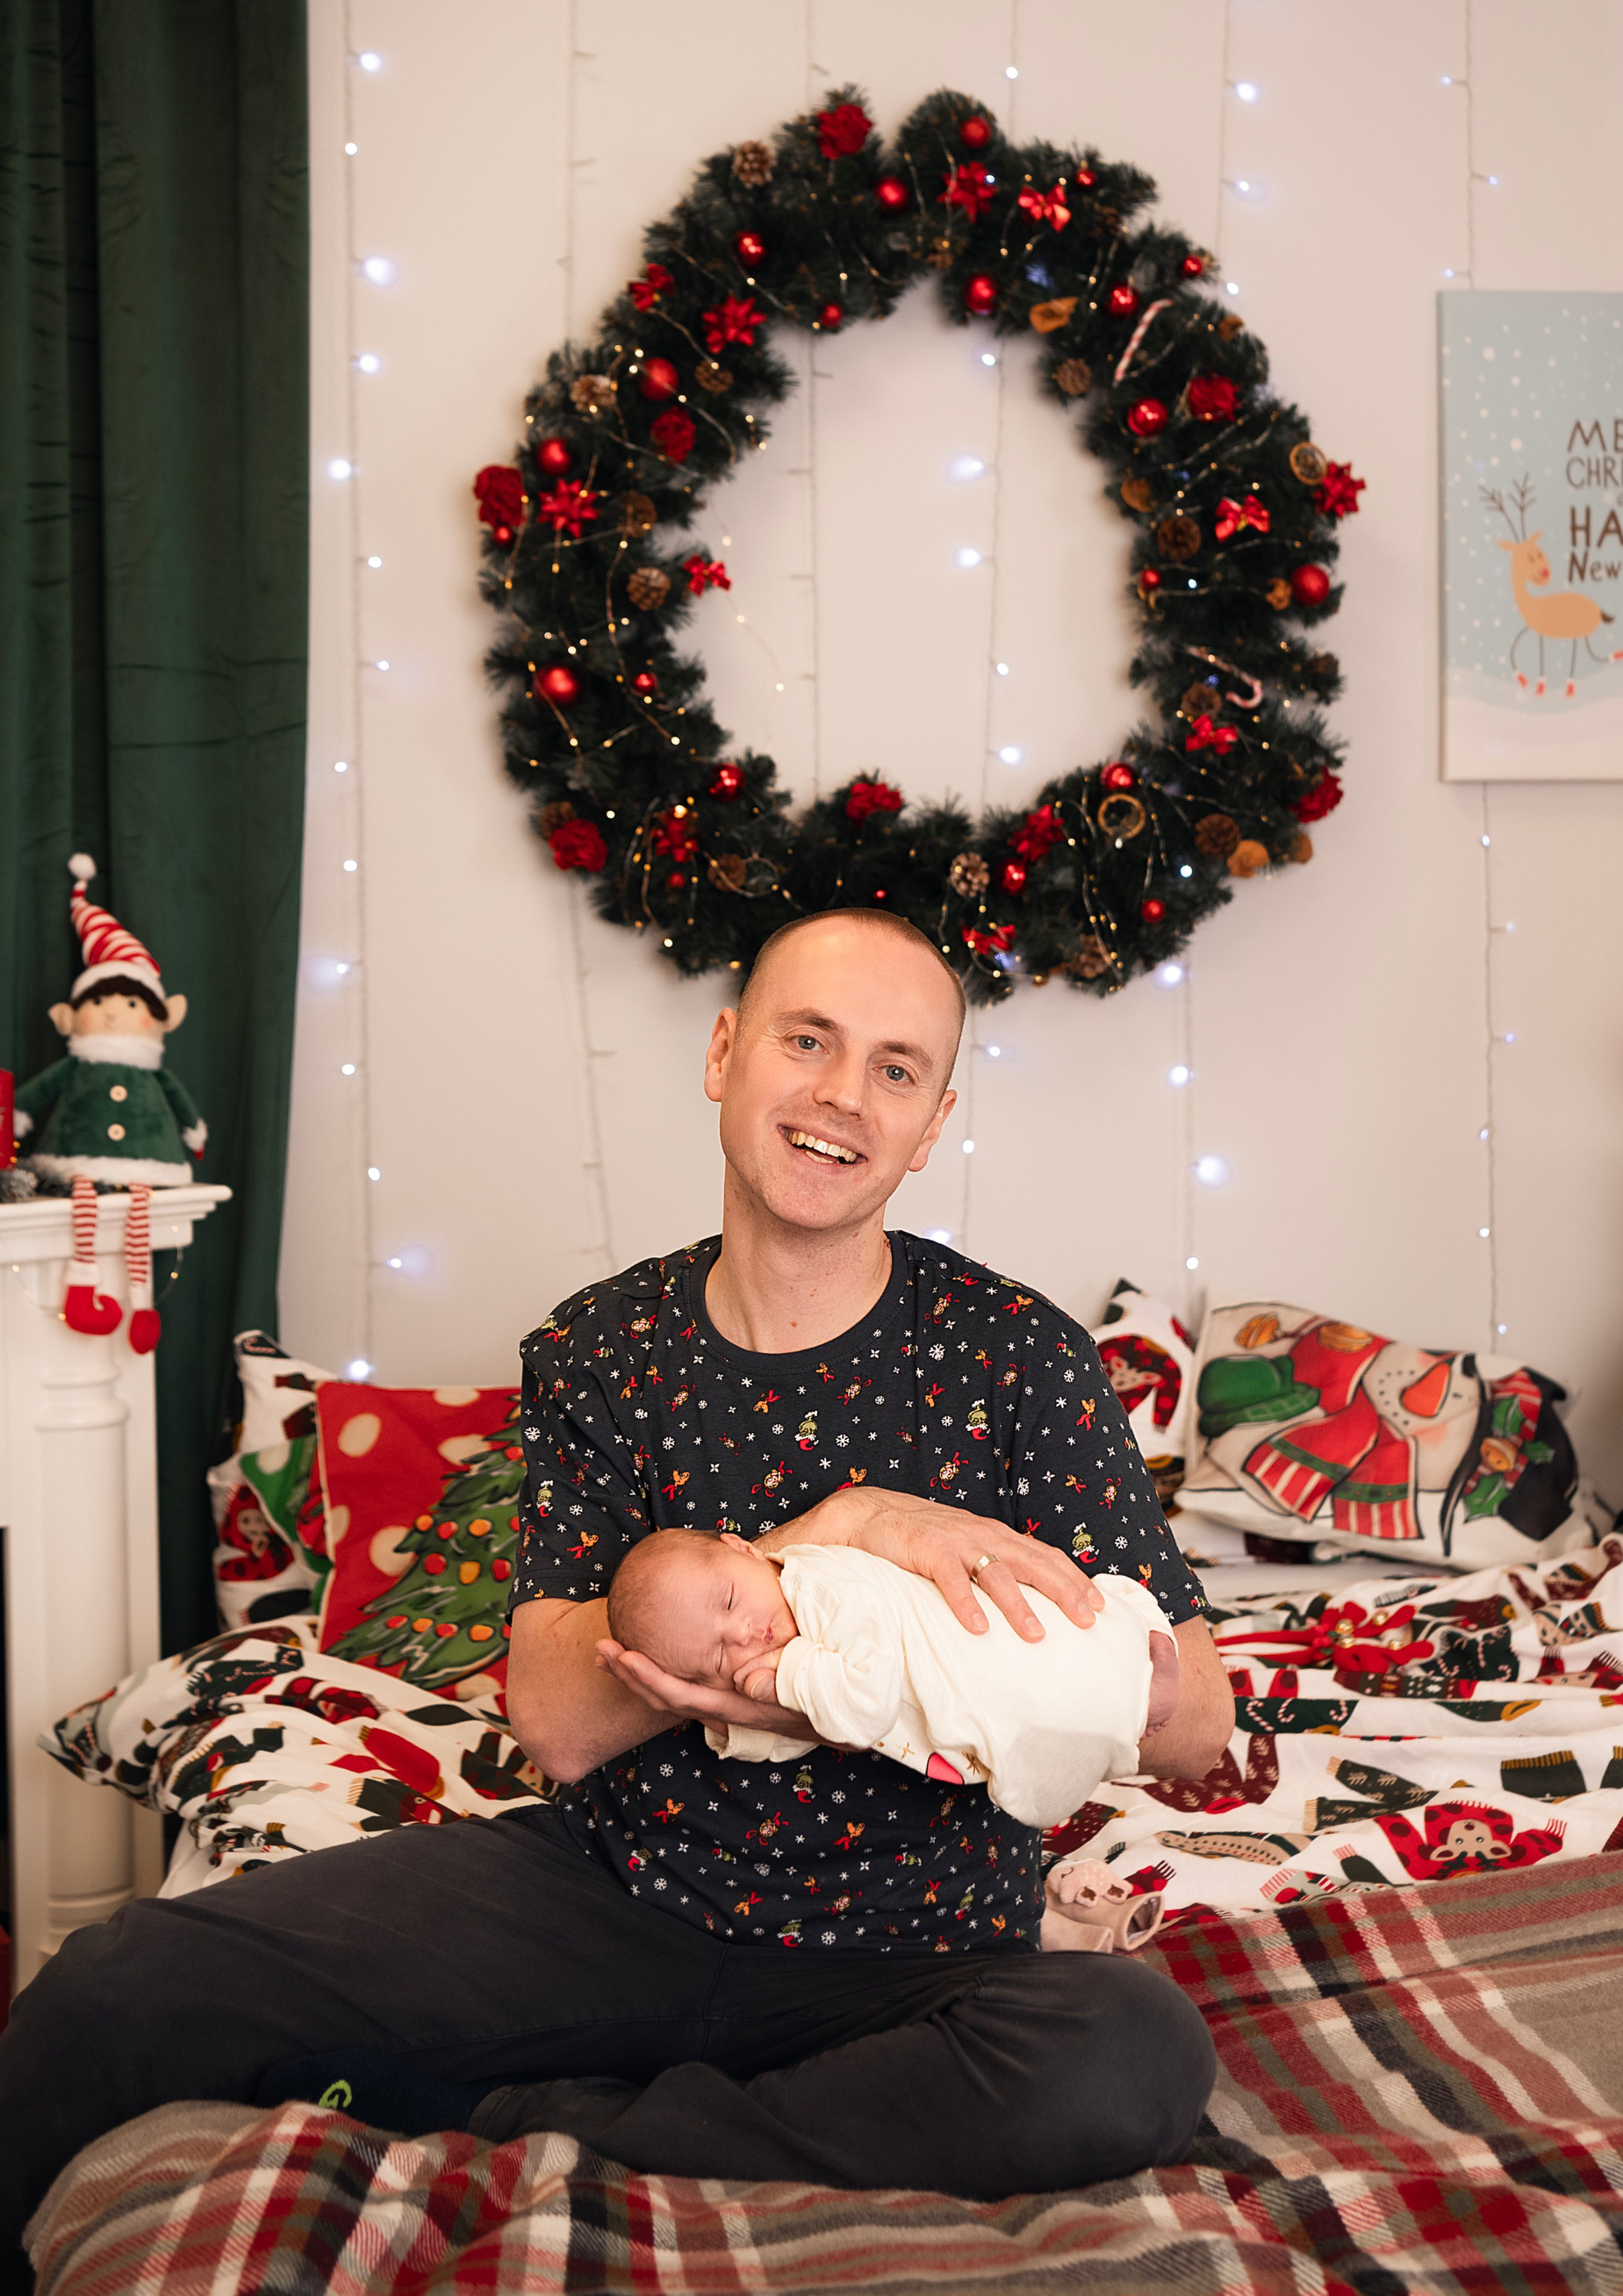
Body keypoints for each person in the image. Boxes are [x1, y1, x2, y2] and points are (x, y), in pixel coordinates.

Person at [0, 909, 1231, 2284]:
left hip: (917, 1949)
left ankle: (540, 2122)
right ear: (724, 1055)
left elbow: (1198, 1725)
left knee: (1134, 2052)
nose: (842, 1094)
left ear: (933, 1123)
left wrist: (969, 1680)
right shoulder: (604, 1348)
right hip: (613, 1898)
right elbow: (555, 1720)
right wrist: (830, 1532)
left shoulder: (1017, 1359)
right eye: (808, 1041)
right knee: (110, 1993)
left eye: (896, 1069)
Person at [604, 1525, 1184, 1823]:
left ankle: (1135, 1684)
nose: (743, 1634)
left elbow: (864, 1710)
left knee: (1053, 1682)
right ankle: (1127, 1702)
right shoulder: (796, 1645)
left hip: (1003, 1643)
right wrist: (723, 1712)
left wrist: (789, 1672)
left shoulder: (822, 1584)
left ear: (746, 1549)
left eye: (732, 1601)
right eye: (716, 1659)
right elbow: (801, 1730)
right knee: (1044, 1722)